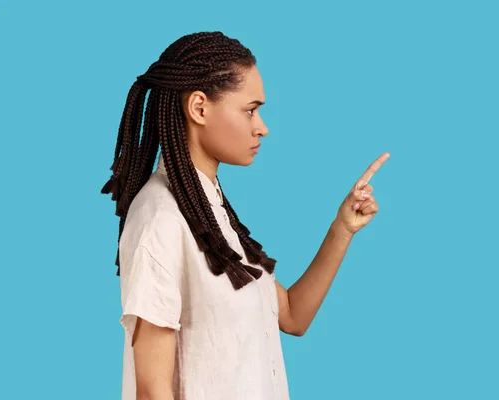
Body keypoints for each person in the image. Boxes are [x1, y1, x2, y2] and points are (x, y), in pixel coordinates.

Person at [101, 31, 390, 400]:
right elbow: (152, 391)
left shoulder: (210, 211)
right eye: (250, 109)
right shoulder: (161, 218)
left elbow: (290, 315)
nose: (262, 126)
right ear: (199, 108)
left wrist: (343, 228)